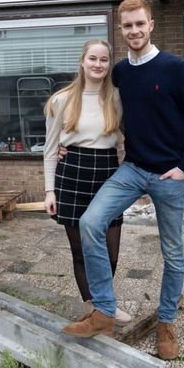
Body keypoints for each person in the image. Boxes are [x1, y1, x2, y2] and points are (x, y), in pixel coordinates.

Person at [62, 0, 184, 361]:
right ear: (122, 30)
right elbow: (93, 98)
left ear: (151, 25)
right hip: (132, 168)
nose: (134, 31)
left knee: (172, 253)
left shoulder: (173, 68)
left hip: (169, 175)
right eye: (127, 26)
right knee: (91, 222)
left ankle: (166, 323)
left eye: (139, 24)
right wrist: (69, 139)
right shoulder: (121, 73)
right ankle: (104, 312)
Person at [44, 39, 132, 324]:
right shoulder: (61, 100)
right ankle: (93, 309)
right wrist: (49, 191)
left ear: (109, 65)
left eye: (104, 60)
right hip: (70, 175)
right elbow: (49, 149)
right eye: (92, 58)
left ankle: (104, 301)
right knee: (80, 252)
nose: (98, 64)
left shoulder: (118, 99)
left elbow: (133, 137)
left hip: (107, 173)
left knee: (110, 251)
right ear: (82, 61)